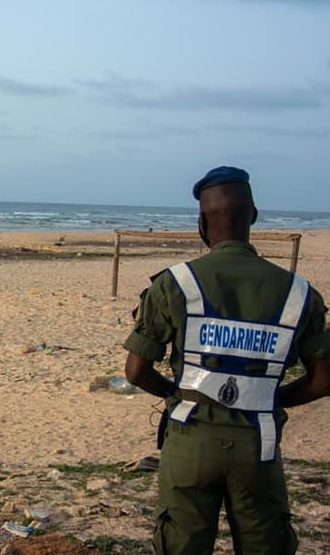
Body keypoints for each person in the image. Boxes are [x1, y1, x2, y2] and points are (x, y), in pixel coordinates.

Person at [123, 166, 330, 555]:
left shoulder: (175, 284)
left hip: (190, 441)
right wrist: (266, 398)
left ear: (201, 221)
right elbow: (323, 380)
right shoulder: (299, 293)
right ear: (253, 216)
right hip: (258, 446)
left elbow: (136, 372)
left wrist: (177, 394)